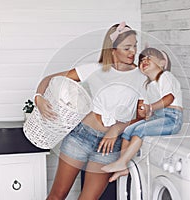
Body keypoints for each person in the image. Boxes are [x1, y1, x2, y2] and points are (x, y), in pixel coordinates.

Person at [34, 22, 146, 200]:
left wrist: (116, 129)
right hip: (80, 137)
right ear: (113, 49)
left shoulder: (142, 77)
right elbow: (51, 79)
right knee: (57, 195)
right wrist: (39, 98)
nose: (133, 51)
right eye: (127, 47)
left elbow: (141, 119)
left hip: (109, 146)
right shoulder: (94, 69)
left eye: (134, 46)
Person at [101, 47, 183, 182]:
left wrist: (150, 107)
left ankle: (122, 161)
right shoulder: (146, 85)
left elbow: (169, 98)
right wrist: (142, 110)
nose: (144, 61)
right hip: (157, 118)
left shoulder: (165, 76)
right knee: (128, 131)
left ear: (162, 63)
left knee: (140, 129)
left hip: (171, 118)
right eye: (141, 60)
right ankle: (123, 165)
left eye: (149, 58)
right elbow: (143, 110)